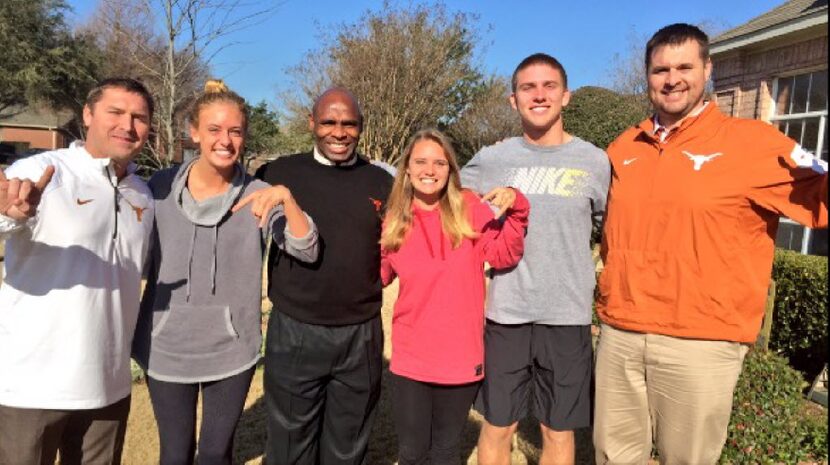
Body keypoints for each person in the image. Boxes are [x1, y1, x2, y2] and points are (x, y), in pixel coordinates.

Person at [594, 23, 828, 464]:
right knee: (612, 456)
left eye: (684, 66)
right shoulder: (624, 146)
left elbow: (820, 197)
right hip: (621, 332)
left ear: (707, 70)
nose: (672, 78)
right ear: (647, 76)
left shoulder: (753, 144)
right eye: (661, 69)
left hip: (700, 342)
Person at [132, 80, 318, 465]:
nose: (225, 140)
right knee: (174, 453)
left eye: (235, 131)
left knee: (215, 453)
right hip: (166, 346)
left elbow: (307, 247)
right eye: (214, 129)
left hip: (231, 349)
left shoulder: (259, 192)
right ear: (194, 132)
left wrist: (286, 198)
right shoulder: (159, 187)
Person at [461, 53, 610, 465]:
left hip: (567, 317)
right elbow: (441, 194)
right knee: (498, 426)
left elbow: (610, 230)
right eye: (528, 88)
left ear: (567, 96)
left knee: (557, 431)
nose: (539, 95)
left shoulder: (595, 161)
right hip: (506, 314)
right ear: (513, 100)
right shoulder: (493, 159)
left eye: (549, 87)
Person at [0, 78, 155, 464]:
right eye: (115, 113)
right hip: (31, 384)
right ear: (88, 115)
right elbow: (9, 213)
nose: (128, 125)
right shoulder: (43, 170)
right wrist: (11, 213)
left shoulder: (143, 193)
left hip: (108, 385)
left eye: (139, 117)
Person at [255, 88, 393, 465]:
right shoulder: (277, 173)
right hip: (296, 329)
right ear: (312, 123)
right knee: (289, 445)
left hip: (361, 333)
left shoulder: (382, 182)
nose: (339, 132)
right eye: (329, 122)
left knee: (348, 446)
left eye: (349, 124)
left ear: (360, 127)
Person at [380, 128, 529, 465]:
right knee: (412, 452)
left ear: (450, 170)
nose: (429, 170)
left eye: (439, 163)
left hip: (460, 358)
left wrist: (518, 209)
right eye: (420, 162)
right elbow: (379, 275)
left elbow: (504, 255)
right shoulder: (393, 220)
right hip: (410, 358)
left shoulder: (470, 207)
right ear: (406, 169)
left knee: (446, 451)